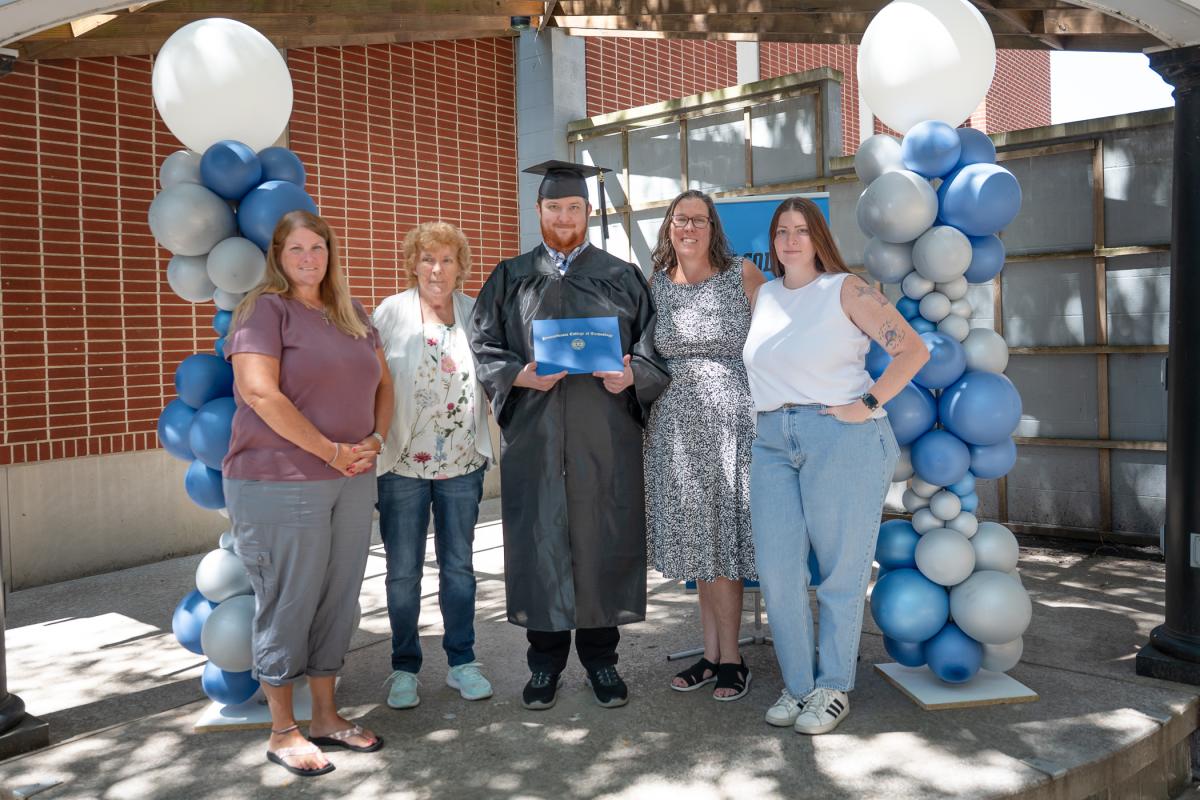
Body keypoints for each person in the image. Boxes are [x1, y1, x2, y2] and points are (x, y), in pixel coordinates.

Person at [468, 160, 669, 711]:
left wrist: (632, 375)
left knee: (603, 535)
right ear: (538, 212)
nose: (563, 216)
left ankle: (602, 662)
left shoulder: (622, 275)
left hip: (603, 435)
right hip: (535, 435)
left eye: (573, 207)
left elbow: (653, 350)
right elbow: (483, 345)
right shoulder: (510, 277)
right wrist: (517, 375)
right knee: (541, 539)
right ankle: (544, 665)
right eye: (554, 207)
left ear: (588, 211)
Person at [742, 196, 928, 735]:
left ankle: (832, 688)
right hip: (771, 438)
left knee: (841, 575)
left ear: (819, 236)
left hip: (839, 437)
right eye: (782, 231)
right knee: (778, 574)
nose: (791, 240)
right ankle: (798, 686)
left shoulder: (847, 289)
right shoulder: (766, 294)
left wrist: (868, 404)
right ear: (773, 241)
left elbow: (913, 351)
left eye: (801, 230)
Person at [222, 210, 393, 776]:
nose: (308, 258)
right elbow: (258, 393)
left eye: (317, 247)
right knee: (288, 599)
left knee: (337, 596)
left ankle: (325, 715)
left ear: (329, 253)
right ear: (278, 255)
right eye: (296, 248)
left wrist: (373, 439)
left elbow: (383, 382)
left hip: (350, 478)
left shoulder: (352, 313)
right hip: (278, 481)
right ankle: (282, 729)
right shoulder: (263, 311)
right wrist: (331, 451)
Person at [644, 190, 765, 701]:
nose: (688, 228)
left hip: (729, 424)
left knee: (724, 544)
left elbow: (782, 337)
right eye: (679, 220)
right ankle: (711, 653)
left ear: (713, 227)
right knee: (699, 544)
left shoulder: (742, 275)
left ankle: (732, 659)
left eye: (698, 220)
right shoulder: (654, 285)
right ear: (669, 228)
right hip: (673, 430)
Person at [372, 222, 494, 710]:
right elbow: (372, 381)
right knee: (402, 572)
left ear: (461, 266)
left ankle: (461, 662)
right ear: (413, 264)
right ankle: (404, 668)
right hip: (401, 463)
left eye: (447, 259)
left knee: (459, 568)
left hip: (462, 463)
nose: (437, 269)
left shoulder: (475, 312)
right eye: (427, 259)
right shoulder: (389, 314)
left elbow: (496, 372)